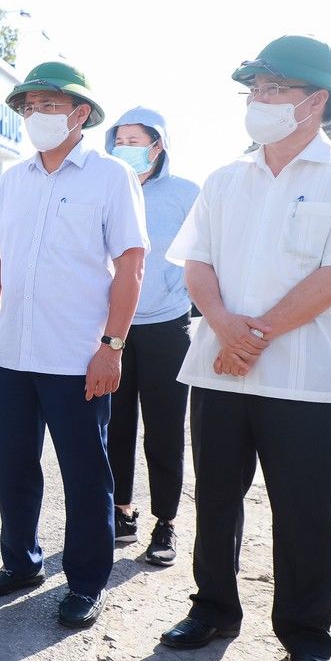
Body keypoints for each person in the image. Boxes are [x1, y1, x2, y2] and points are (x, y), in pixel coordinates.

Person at [160, 36, 331, 661]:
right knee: (216, 503)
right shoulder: (225, 179)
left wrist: (253, 336)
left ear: (316, 101)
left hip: (306, 382)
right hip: (218, 372)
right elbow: (196, 262)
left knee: (307, 515)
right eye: (254, 90)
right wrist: (226, 330)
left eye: (274, 89)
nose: (258, 101)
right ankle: (211, 609)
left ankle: (306, 638)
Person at [0, 61, 147, 630]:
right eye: (30, 106)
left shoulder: (110, 177)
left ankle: (86, 581)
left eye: (49, 105)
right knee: (14, 467)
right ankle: (21, 563)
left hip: (78, 358)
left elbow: (131, 265)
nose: (37, 116)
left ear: (80, 113)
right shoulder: (15, 180)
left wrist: (112, 346)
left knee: (86, 473)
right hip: (16, 355)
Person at [103, 108, 198, 566]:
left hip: (167, 326)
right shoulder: (105, 188)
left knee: (164, 430)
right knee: (114, 425)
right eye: (119, 138)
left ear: (157, 145)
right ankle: (121, 511)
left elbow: (206, 256)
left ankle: (166, 522)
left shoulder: (186, 194)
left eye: (135, 138)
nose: (126, 146)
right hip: (112, 328)